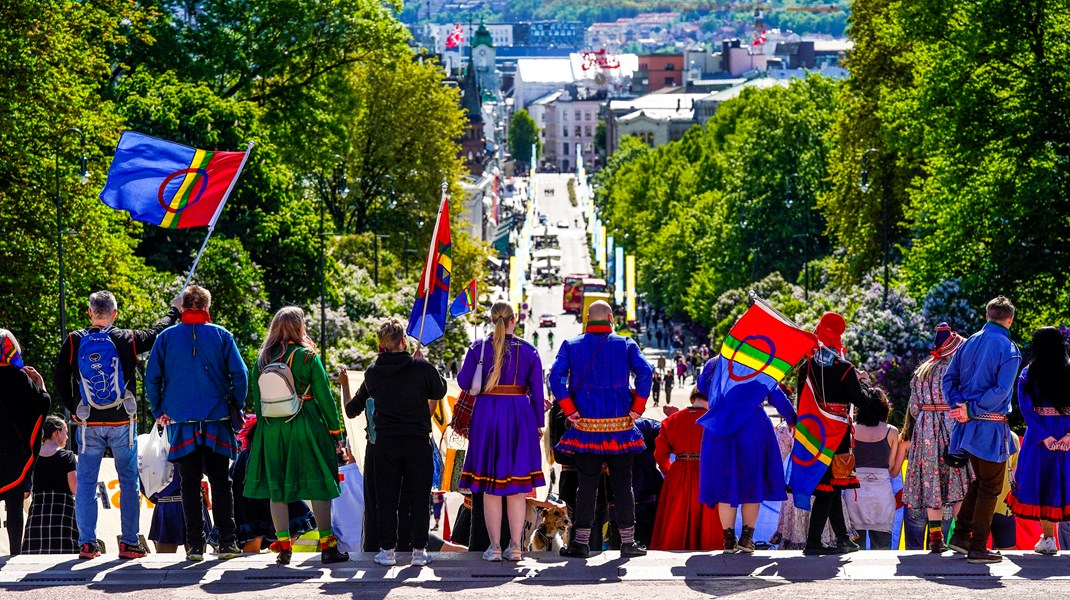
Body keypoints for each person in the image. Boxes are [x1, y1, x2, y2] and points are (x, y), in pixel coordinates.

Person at [54, 291, 180, 559]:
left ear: (90, 313)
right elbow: (156, 332)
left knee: (87, 482)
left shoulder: (76, 340)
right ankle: (130, 542)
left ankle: (87, 543)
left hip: (88, 422)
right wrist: (174, 311)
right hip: (123, 419)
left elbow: (59, 376)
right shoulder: (126, 338)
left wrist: (74, 409)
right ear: (115, 313)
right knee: (128, 480)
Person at [146, 285, 248, 561]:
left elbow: (152, 377)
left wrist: (159, 409)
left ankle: (195, 546)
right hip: (217, 419)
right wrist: (236, 403)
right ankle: (227, 542)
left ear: (183, 307)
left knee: (189, 484)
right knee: (220, 482)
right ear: (206, 306)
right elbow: (240, 375)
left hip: (181, 422)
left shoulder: (165, 338)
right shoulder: (222, 335)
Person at [244, 306, 349, 566]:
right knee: (318, 485)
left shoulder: (262, 360)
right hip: (306, 424)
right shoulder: (307, 356)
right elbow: (325, 397)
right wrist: (336, 432)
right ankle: (328, 547)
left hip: (272, 428)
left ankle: (284, 547)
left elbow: (257, 403)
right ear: (299, 327)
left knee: (276, 489)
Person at [550, 300, 653, 558]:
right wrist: (638, 408)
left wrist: (569, 409)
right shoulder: (626, 344)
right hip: (620, 429)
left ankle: (581, 543)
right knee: (623, 484)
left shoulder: (571, 345)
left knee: (586, 486)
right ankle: (628, 542)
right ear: (610, 316)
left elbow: (555, 377)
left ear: (587, 318)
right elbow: (645, 372)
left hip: (585, 428)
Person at [347, 318, 447, 567]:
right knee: (418, 498)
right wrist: (424, 364)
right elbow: (440, 391)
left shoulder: (372, 372)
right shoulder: (421, 369)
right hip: (417, 441)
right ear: (404, 341)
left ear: (381, 345)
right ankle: (419, 552)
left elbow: (352, 410)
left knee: (387, 499)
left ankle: (387, 551)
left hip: (386, 444)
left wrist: (344, 386)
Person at [457, 302, 545, 562]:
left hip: (487, 415)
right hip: (519, 415)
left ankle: (494, 547)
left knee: (489, 487)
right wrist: (538, 423)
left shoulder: (478, 348)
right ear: (514, 320)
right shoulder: (529, 351)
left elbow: (463, 382)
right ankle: (515, 547)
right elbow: (538, 393)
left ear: (491, 319)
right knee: (517, 488)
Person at [945, 296, 1021, 564]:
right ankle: (978, 546)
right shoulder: (1009, 348)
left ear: (987, 315)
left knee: (981, 482)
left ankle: (961, 536)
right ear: (1009, 319)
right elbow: (1002, 391)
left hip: (966, 426)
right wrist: (972, 408)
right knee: (990, 487)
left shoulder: (967, 344)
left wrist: (959, 405)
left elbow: (949, 379)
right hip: (988, 426)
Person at [796, 312, 878, 555]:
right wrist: (862, 382)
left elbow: (801, 401)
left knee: (829, 486)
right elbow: (861, 401)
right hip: (838, 433)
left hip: (814, 433)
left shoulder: (806, 367)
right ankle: (813, 542)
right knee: (830, 487)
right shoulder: (844, 368)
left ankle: (842, 538)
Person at [698, 357, 797, 553]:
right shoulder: (759, 364)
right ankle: (747, 538)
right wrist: (793, 419)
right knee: (753, 482)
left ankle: (728, 540)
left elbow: (702, 385)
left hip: (721, 424)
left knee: (725, 483)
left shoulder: (716, 363)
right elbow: (776, 395)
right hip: (753, 426)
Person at [902, 323, 971, 552]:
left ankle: (935, 538)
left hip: (925, 432)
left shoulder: (921, 372)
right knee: (958, 484)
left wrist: (927, 418)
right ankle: (962, 536)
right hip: (953, 429)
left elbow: (913, 408)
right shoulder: (956, 370)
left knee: (932, 483)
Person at [1006, 327, 1070, 554]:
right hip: (1065, 436)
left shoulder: (1029, 373)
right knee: (1064, 485)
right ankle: (1050, 538)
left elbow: (1026, 408)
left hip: (1039, 438)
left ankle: (1049, 538)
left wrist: (1046, 436)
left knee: (1042, 486)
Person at [651, 388, 724, 551]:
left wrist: (670, 473)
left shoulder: (672, 420)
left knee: (677, 518)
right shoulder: (715, 420)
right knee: (707, 520)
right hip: (707, 473)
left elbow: (660, 454)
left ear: (692, 398)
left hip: (679, 473)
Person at [0, 329, 51, 556]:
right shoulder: (17, 376)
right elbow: (41, 405)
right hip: (11, 454)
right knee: (13, 506)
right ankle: (14, 554)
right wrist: (40, 383)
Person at [844, 390, 901, 549]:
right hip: (881, 495)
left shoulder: (851, 429)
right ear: (884, 408)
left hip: (854, 494)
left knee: (855, 551)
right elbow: (892, 471)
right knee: (882, 551)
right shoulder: (892, 431)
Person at [21, 416, 77, 554]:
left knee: (35, 555)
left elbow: (25, 492)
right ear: (56, 432)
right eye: (65, 431)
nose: (67, 437)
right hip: (63, 511)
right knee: (63, 556)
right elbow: (75, 488)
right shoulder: (67, 456)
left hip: (38, 512)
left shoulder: (32, 456)